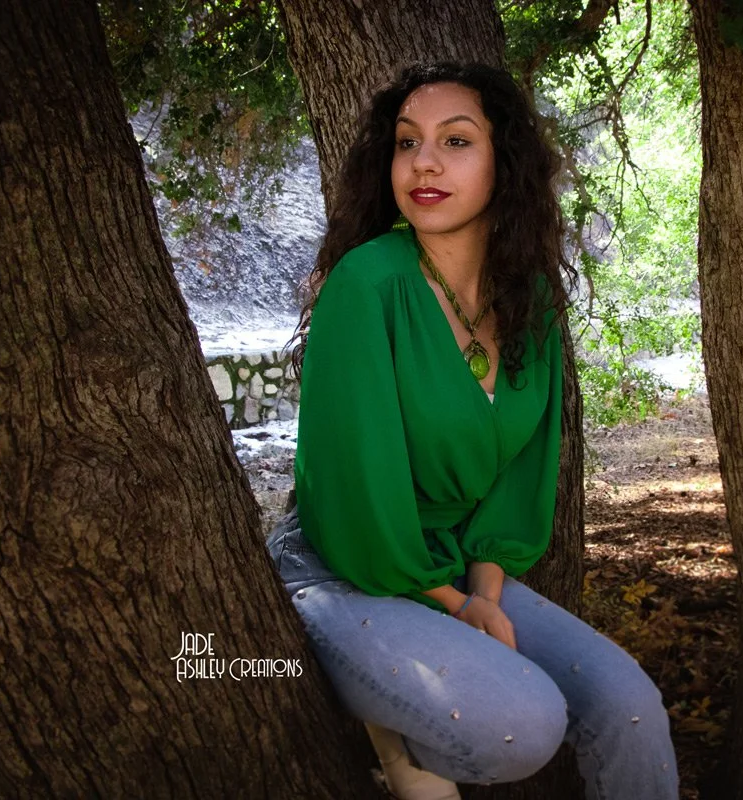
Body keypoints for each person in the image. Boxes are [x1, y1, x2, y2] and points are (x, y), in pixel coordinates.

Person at [268, 61, 679, 800]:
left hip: (452, 565)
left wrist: (483, 588)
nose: (423, 162)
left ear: (506, 162)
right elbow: (357, 491)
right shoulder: (370, 283)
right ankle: (393, 738)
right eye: (406, 143)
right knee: (521, 725)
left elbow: (521, 476)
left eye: (455, 141)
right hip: (346, 567)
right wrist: (462, 609)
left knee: (632, 710)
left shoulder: (532, 300)